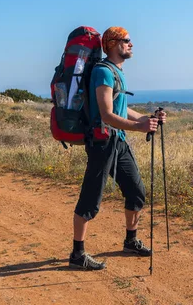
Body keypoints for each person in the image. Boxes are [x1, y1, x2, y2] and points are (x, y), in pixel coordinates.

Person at [69, 26, 166, 270]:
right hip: (102, 143)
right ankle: (77, 254)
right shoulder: (103, 72)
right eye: (126, 40)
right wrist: (139, 127)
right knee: (91, 199)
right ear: (112, 44)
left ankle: (130, 242)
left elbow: (121, 108)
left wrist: (147, 118)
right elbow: (107, 114)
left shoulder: (116, 71)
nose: (131, 44)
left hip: (118, 141)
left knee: (136, 191)